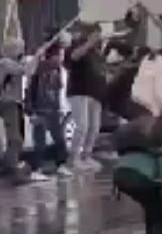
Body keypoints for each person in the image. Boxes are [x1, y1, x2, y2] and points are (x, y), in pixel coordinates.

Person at [0, 38, 53, 185]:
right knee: (15, 139)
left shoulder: (10, 63)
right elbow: (26, 71)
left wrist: (36, 57)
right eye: (19, 48)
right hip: (8, 103)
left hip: (13, 103)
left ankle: (9, 165)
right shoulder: (5, 63)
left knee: (17, 138)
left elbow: (28, 69)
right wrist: (37, 55)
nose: (22, 51)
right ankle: (11, 168)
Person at [25, 42, 72, 180]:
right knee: (40, 141)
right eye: (60, 55)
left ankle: (61, 165)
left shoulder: (57, 70)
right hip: (40, 109)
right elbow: (31, 89)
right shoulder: (40, 68)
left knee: (59, 139)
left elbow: (57, 91)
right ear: (52, 56)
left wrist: (60, 107)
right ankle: (36, 169)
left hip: (53, 110)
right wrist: (31, 111)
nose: (62, 59)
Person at [66, 24, 108, 170]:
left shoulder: (97, 53)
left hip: (95, 93)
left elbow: (102, 71)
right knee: (82, 125)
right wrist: (89, 43)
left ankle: (86, 155)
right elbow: (73, 57)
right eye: (96, 34)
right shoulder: (77, 47)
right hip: (79, 91)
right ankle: (73, 158)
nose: (99, 37)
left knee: (94, 126)